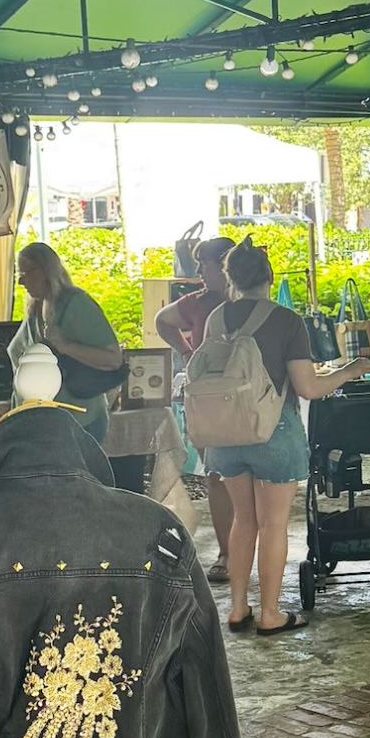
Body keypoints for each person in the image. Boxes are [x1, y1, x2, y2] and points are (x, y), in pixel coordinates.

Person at [207, 239, 370, 636]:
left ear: (230, 278)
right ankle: (270, 613)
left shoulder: (216, 319)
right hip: (273, 435)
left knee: (243, 519)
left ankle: (237, 608)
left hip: (225, 434)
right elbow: (309, 387)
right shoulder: (285, 321)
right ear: (270, 276)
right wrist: (352, 369)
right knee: (273, 524)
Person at [154, 235, 237, 583]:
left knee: (247, 479)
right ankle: (227, 551)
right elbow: (162, 320)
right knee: (216, 476)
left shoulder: (248, 301)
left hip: (247, 398)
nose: (199, 269)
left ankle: (243, 546)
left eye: (205, 262)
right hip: (207, 399)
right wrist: (187, 352)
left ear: (226, 264)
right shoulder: (197, 301)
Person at [8, 241, 123, 442]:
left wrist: (66, 347)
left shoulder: (76, 304)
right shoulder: (36, 308)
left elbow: (113, 359)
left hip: (80, 421)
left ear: (44, 271)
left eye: (25, 273)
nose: (21, 282)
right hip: (45, 422)